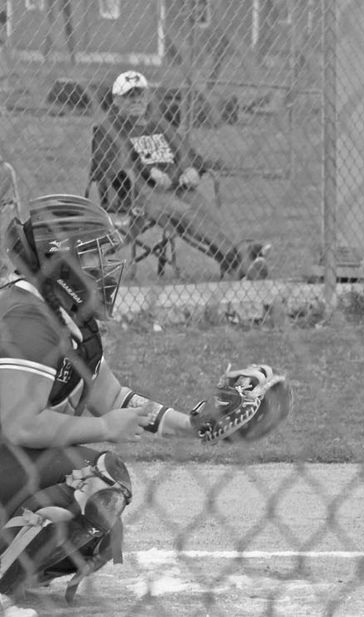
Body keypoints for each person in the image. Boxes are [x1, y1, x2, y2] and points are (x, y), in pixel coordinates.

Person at [0, 194, 215, 606]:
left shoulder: (62, 316)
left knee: (93, 529)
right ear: (60, 262)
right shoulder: (27, 319)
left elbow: (115, 397)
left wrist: (193, 424)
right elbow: (20, 424)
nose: (104, 270)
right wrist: (103, 428)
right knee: (95, 478)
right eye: (92, 258)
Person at [88, 70, 269, 280]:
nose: (136, 100)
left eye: (140, 94)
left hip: (176, 188)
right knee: (184, 212)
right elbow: (105, 166)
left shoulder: (159, 126)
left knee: (205, 209)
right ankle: (239, 258)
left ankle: (240, 256)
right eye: (129, 96)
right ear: (116, 100)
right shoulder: (108, 129)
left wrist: (193, 170)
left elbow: (189, 154)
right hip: (137, 196)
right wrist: (146, 170)